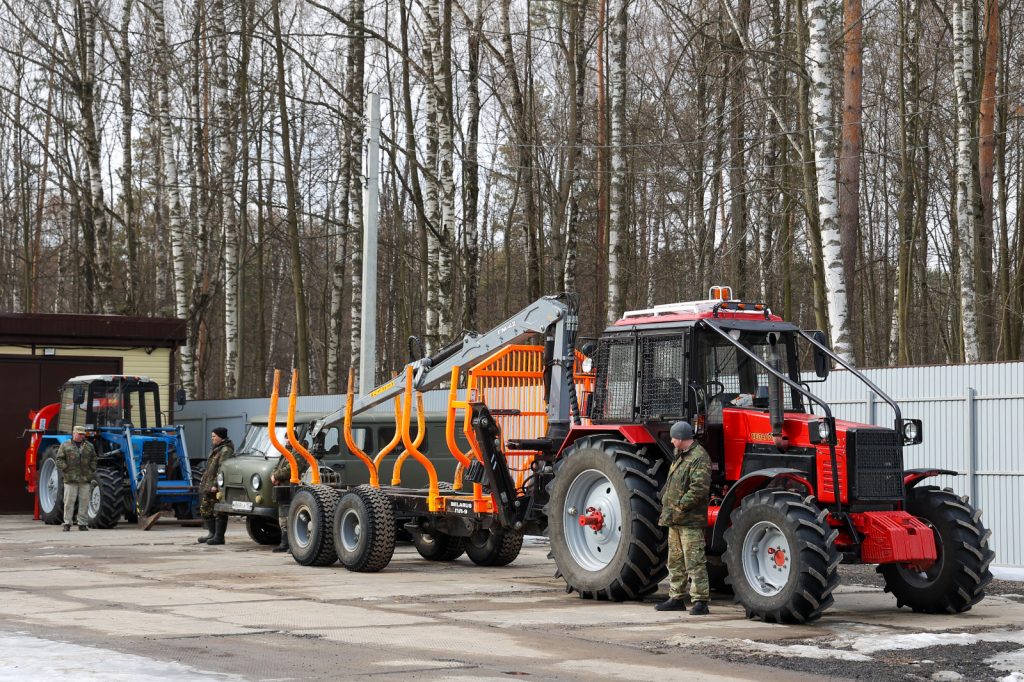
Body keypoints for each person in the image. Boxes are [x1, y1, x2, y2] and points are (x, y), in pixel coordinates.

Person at [656, 421, 712, 615]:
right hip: (675, 519)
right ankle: (676, 597)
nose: (671, 440)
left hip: (689, 520)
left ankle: (700, 601)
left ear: (680, 438)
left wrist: (679, 506)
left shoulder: (699, 457)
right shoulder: (680, 456)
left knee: (694, 560)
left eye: (673, 437)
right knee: (676, 560)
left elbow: (698, 490)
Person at [268, 445, 311, 553]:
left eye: (288, 437)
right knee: (283, 516)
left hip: (293, 488)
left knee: (293, 516)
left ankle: (293, 544)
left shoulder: (298, 452)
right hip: (283, 487)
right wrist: (273, 476)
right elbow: (276, 466)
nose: (286, 440)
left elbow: (292, 468)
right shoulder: (285, 451)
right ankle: (284, 543)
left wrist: (276, 476)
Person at [56, 426, 97, 531]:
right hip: (70, 479)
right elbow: (59, 459)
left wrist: (91, 469)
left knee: (84, 502)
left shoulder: (89, 446)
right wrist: (66, 469)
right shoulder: (65, 445)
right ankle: (67, 523)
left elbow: (94, 458)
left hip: (85, 479)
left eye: (82, 434)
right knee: (69, 501)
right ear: (73, 433)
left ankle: (82, 524)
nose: (81, 436)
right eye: (79, 434)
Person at [198, 427, 234, 545]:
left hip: (218, 486)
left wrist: (215, 485)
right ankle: (212, 534)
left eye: (214, 436)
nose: (212, 438)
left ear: (220, 437)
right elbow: (210, 468)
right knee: (205, 509)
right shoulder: (217, 449)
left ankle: (219, 537)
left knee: (219, 511)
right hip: (209, 484)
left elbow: (222, 469)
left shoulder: (225, 450)